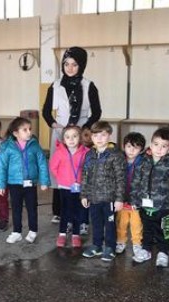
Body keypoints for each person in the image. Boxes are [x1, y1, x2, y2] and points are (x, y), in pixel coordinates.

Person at [42, 46, 101, 225]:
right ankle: (58, 211)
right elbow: (46, 112)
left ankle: (81, 209)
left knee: (81, 170)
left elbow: (96, 112)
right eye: (66, 64)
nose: (70, 68)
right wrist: (56, 126)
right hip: (61, 133)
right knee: (59, 171)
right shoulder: (56, 85)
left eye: (74, 64)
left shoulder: (89, 86)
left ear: (81, 65)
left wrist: (84, 129)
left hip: (81, 133)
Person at [130, 126, 169, 267]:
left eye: (164, 146)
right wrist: (135, 199)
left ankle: (163, 251)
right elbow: (136, 180)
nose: (159, 149)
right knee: (147, 229)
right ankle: (146, 250)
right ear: (151, 144)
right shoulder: (143, 160)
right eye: (156, 144)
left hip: (164, 206)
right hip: (145, 204)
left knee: (163, 231)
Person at [0, 116, 50, 244]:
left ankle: (33, 231)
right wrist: (0, 185)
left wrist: (44, 181)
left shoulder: (34, 145)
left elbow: (42, 163)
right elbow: (2, 167)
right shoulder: (7, 147)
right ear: (15, 133)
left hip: (30, 183)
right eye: (24, 130)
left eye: (29, 129)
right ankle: (17, 232)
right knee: (16, 208)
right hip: (14, 183)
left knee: (32, 207)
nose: (29, 132)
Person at [81, 121, 125, 261]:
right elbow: (85, 176)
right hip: (93, 198)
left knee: (110, 224)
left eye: (103, 135)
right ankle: (97, 245)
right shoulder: (89, 154)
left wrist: (119, 199)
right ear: (91, 137)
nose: (99, 138)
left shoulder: (115, 155)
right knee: (96, 222)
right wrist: (84, 195)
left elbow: (120, 178)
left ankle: (110, 247)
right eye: (96, 135)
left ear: (109, 136)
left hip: (109, 199)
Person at [49, 125, 89, 248]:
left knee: (77, 211)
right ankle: (62, 234)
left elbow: (88, 169)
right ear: (63, 139)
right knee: (65, 211)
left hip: (79, 187)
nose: (71, 139)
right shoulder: (60, 152)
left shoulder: (86, 152)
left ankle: (75, 235)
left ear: (80, 137)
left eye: (74, 136)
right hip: (65, 187)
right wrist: (61, 178)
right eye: (67, 137)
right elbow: (53, 167)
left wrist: (83, 182)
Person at [116, 132, 146, 255]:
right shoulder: (118, 160)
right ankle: (121, 241)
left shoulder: (144, 163)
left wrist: (139, 200)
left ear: (141, 149)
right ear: (123, 146)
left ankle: (137, 244)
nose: (132, 150)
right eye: (129, 146)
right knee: (121, 223)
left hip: (136, 201)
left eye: (136, 147)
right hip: (121, 199)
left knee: (136, 224)